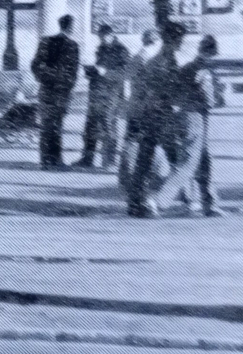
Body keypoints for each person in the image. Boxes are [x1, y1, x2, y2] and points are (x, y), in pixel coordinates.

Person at [147, 35, 221, 216]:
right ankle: (158, 201)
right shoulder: (204, 71)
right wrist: (220, 96)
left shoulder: (186, 67)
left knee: (203, 160)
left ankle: (209, 202)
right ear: (213, 53)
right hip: (196, 118)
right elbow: (209, 100)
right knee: (189, 162)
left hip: (180, 116)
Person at [124, 21, 187, 218]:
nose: (181, 43)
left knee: (144, 160)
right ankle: (161, 200)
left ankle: (136, 201)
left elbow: (141, 87)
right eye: (179, 39)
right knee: (179, 159)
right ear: (172, 40)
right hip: (164, 116)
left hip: (149, 114)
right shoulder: (170, 61)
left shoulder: (153, 60)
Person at [30, 14, 81, 170]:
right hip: (61, 91)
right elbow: (73, 73)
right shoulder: (72, 45)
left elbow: (35, 65)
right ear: (71, 27)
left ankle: (45, 160)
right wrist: (66, 85)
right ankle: (56, 160)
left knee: (46, 125)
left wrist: (44, 79)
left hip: (46, 89)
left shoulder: (45, 41)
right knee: (57, 125)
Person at [79, 24, 130, 170]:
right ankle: (87, 159)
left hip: (111, 94)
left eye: (102, 37)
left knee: (108, 125)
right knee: (90, 126)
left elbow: (125, 73)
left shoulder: (121, 50)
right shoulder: (101, 48)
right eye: (99, 37)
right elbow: (99, 69)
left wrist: (105, 72)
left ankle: (110, 160)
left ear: (111, 35)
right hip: (96, 92)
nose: (100, 40)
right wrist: (90, 71)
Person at [117, 27, 162, 192]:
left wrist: (128, 101)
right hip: (148, 108)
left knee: (131, 141)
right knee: (148, 142)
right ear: (156, 41)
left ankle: (125, 177)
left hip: (135, 106)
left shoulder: (137, 57)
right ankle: (144, 178)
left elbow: (125, 81)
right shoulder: (150, 59)